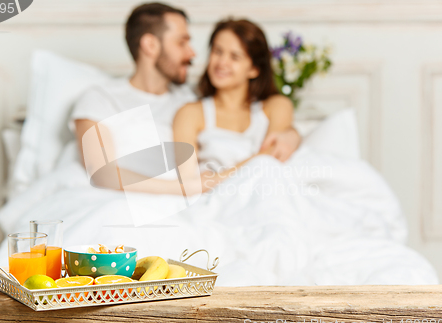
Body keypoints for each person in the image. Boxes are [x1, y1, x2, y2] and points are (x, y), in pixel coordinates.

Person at [71, 2, 301, 191]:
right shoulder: (101, 99)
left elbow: (240, 107)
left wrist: (292, 134)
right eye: (182, 42)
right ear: (150, 45)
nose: (193, 53)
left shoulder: (189, 96)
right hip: (157, 198)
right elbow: (102, 173)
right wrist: (188, 189)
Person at [173, 19, 295, 189]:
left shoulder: (276, 106)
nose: (222, 62)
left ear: (254, 69)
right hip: (215, 201)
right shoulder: (190, 113)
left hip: (265, 194)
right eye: (217, 51)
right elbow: (187, 182)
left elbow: (273, 157)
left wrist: (217, 179)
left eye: (235, 56)